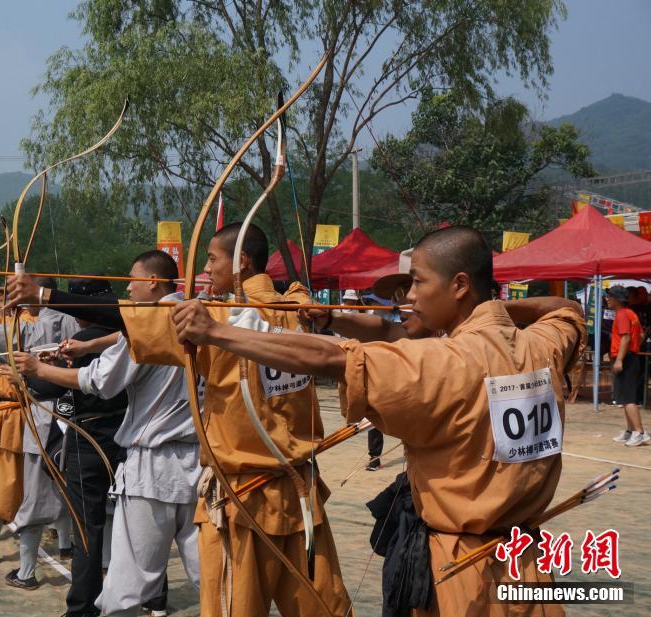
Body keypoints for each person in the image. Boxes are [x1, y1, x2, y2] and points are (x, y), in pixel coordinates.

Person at [172, 225, 586, 616]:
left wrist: (216, 332)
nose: (411, 297)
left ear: (460, 285)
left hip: (462, 576)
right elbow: (566, 310)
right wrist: (487, 311)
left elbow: (333, 358)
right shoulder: (541, 345)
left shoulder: (444, 361)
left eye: (419, 282)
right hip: (527, 564)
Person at [8, 223, 353, 617]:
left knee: (179, 595)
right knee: (310, 601)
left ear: (241, 261)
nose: (205, 270)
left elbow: (126, 337)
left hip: (223, 487)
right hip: (294, 487)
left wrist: (44, 298)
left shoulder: (220, 321)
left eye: (211, 259)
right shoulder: (295, 311)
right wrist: (91, 343)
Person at [9, 251, 202, 616]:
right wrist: (88, 346)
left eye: (132, 279)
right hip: (197, 462)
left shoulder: (148, 326)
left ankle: (83, 607)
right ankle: (158, 601)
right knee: (210, 575)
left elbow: (97, 380)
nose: (127, 288)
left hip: (149, 464)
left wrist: (37, 369)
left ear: (152, 282)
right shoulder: (201, 317)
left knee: (124, 583)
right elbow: (126, 331)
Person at [607, 285, 650, 446]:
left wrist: (619, 359)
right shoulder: (631, 313)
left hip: (626, 359)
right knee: (625, 398)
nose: (608, 299)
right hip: (630, 357)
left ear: (618, 299)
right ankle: (630, 430)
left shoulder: (622, 314)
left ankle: (639, 432)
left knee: (629, 398)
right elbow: (641, 335)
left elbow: (626, 338)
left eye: (610, 296)